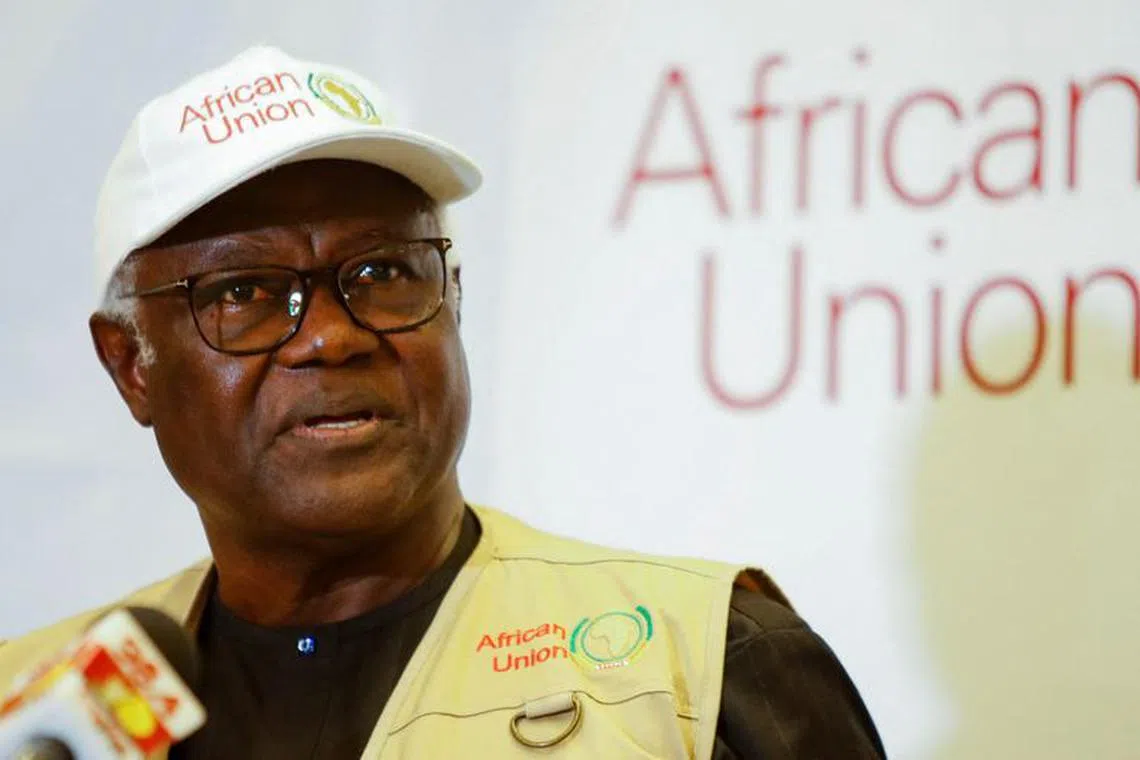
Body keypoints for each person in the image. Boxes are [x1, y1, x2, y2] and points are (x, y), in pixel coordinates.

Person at [0, 46, 885, 759]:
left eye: (383, 272)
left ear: (452, 298)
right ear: (132, 365)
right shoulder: (36, 714)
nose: (331, 337)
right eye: (245, 292)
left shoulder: (700, 667)